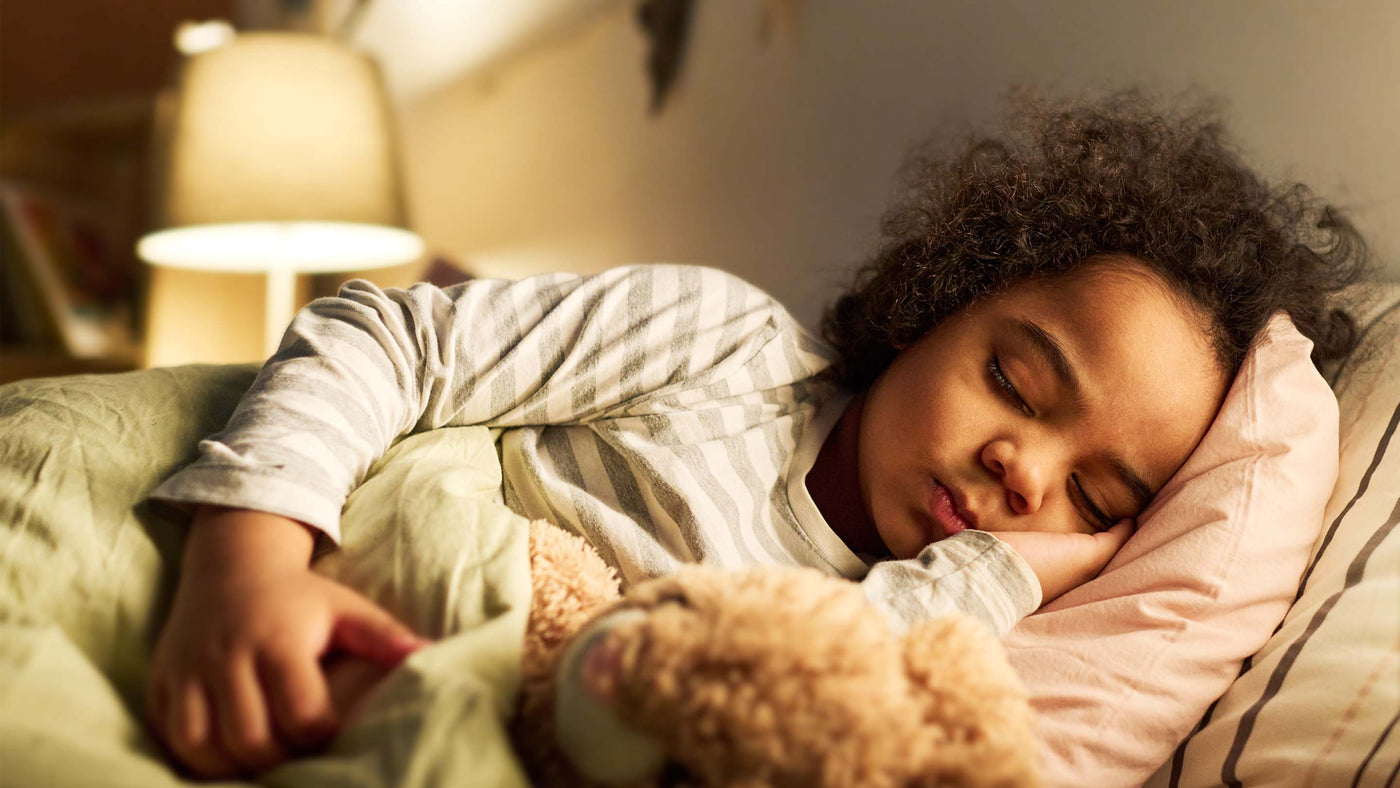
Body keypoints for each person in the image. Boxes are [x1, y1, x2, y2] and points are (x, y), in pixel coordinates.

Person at [144, 92, 1368, 778]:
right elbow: (390, 337)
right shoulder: (722, 346)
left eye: (1096, 500)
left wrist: (992, 574)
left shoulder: (947, 622)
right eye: (1011, 380)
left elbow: (803, 701)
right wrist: (245, 560)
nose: (1023, 470)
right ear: (940, 299)